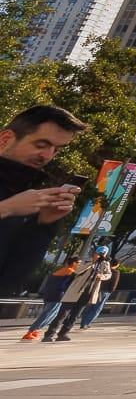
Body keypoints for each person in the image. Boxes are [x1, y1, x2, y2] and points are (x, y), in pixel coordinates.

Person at [0, 106, 85, 294]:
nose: (47, 156)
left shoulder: (23, 193)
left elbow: (9, 280)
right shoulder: (17, 201)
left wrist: (43, 224)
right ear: (5, 139)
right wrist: (6, 208)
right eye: (41, 145)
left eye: (56, 150)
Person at [45, 247, 114, 342]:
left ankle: (63, 333)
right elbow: (77, 271)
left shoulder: (105, 264)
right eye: (99, 253)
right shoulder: (86, 261)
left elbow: (109, 275)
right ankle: (49, 334)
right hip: (75, 291)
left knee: (75, 315)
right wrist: (93, 262)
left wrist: (102, 276)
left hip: (89, 292)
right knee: (63, 314)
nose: (100, 255)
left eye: (103, 254)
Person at [21, 258, 77, 341]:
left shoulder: (59, 271)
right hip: (57, 296)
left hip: (48, 295)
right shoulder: (70, 272)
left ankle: (35, 331)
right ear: (73, 263)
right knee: (48, 315)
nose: (79, 265)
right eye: (78, 263)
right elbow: (66, 285)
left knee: (47, 313)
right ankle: (31, 331)